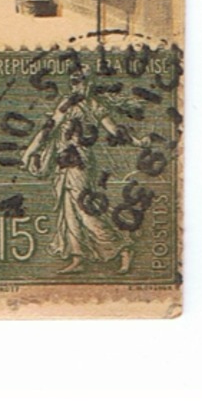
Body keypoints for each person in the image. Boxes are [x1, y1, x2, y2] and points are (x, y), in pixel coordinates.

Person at [21, 65, 141, 273]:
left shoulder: (94, 105)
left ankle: (123, 247)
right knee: (68, 210)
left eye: (81, 81)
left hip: (80, 163)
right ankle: (78, 258)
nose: (77, 85)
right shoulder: (66, 104)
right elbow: (47, 130)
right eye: (74, 81)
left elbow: (114, 130)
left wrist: (137, 142)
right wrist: (28, 152)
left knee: (85, 209)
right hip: (62, 163)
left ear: (90, 83)